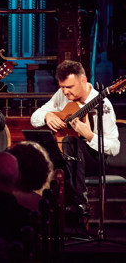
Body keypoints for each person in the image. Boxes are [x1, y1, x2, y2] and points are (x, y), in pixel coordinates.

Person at [30, 60, 120, 215]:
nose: (65, 92)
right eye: (62, 87)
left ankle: (80, 205)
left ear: (83, 81)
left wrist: (89, 135)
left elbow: (114, 148)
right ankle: (38, 206)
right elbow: (34, 118)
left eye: (69, 87)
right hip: (69, 157)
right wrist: (48, 115)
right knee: (39, 142)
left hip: (96, 160)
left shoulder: (103, 105)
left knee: (70, 142)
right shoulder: (63, 94)